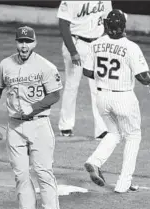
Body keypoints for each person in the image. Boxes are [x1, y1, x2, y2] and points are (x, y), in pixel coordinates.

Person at [0, 26, 62, 209]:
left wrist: (33, 108)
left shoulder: (45, 66)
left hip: (39, 126)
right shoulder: (5, 64)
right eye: (20, 41)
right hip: (14, 128)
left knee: (44, 174)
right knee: (21, 177)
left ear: (34, 43)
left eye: (28, 42)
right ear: (16, 43)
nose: (24, 45)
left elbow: (55, 94)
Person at [83, 9, 150, 193]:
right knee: (133, 136)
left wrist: (103, 78)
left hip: (102, 97)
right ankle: (124, 183)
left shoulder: (95, 44)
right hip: (123, 97)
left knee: (114, 132)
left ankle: (94, 161)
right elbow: (142, 76)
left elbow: (87, 72)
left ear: (106, 26)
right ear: (124, 26)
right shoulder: (131, 47)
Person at [57, 1, 112, 138]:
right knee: (72, 85)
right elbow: (63, 24)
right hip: (77, 43)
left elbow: (107, 20)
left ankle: (101, 129)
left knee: (98, 88)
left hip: (97, 46)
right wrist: (72, 51)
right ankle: (66, 126)